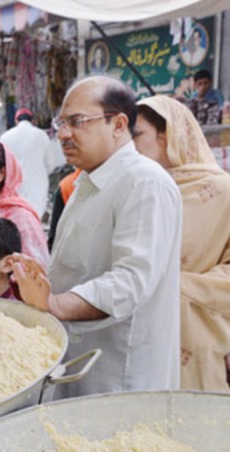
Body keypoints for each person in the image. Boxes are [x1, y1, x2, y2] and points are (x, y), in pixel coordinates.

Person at [13, 76, 182, 399]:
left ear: (118, 124)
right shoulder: (87, 182)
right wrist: (40, 277)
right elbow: (83, 265)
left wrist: (55, 303)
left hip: (120, 373)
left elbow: (130, 282)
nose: (64, 134)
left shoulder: (143, 183)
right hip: (82, 361)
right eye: (61, 123)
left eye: (77, 122)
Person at [135, 95, 230, 391]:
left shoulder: (222, 191)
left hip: (199, 340)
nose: (128, 146)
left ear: (168, 135)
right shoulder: (135, 191)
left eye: (136, 135)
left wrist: (174, 287)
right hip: (139, 335)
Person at [0, 108, 54, 217]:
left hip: (15, 185)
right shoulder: (42, 135)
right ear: (32, 120)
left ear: (16, 120)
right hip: (38, 184)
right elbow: (51, 164)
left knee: (18, 217)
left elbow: (1, 164)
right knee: (35, 216)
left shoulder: (5, 137)